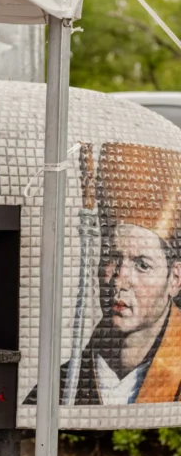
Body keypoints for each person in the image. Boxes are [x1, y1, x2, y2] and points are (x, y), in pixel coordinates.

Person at [26, 142, 181, 405]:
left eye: (142, 265)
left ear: (175, 279)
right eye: (112, 259)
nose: (120, 280)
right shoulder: (63, 383)